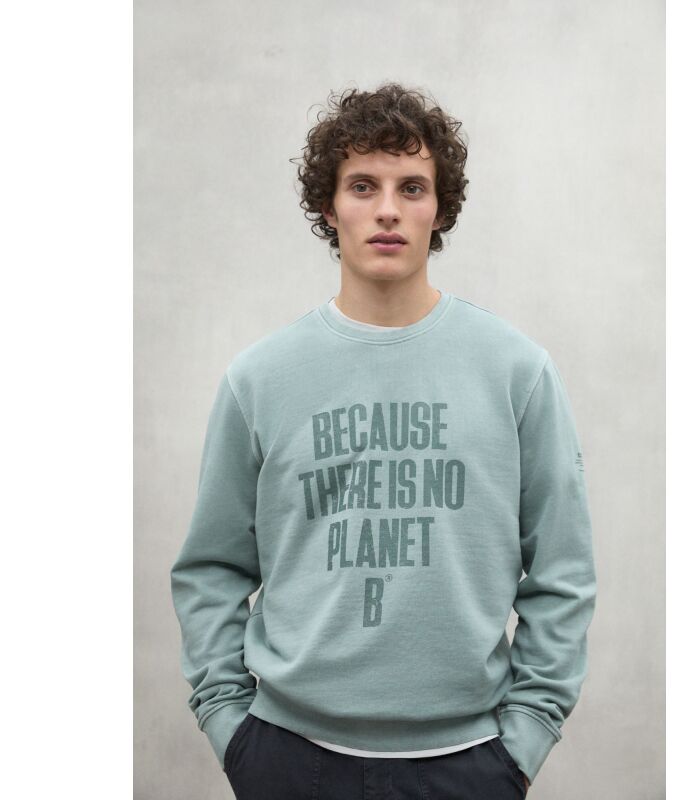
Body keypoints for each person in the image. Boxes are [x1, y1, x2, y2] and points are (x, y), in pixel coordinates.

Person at [170, 82, 597, 799]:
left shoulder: (516, 372)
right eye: (363, 185)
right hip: (288, 758)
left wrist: (525, 738)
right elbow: (211, 568)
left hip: (468, 762)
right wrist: (229, 727)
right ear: (329, 206)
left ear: (440, 208)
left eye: (412, 187)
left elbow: (563, 570)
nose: (388, 209)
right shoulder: (260, 379)